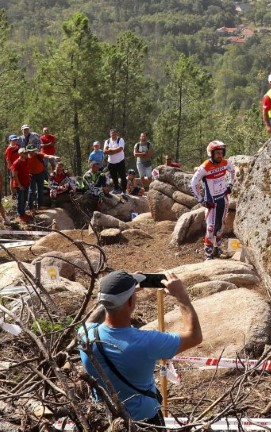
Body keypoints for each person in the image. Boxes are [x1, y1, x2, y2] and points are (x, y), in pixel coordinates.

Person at [78, 271, 202, 424]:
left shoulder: (85, 335)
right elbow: (195, 336)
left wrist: (114, 295)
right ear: (131, 302)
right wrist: (181, 295)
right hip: (144, 422)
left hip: (104, 420)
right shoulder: (146, 342)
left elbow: (91, 320)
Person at [189, 140, 236, 261]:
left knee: (220, 226)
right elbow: (193, 184)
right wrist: (201, 200)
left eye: (221, 153)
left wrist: (230, 184)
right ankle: (208, 255)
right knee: (210, 228)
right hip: (211, 202)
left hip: (223, 199)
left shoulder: (225, 163)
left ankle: (217, 250)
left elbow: (233, 170)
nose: (220, 155)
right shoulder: (205, 167)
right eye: (217, 153)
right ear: (211, 154)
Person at [10, 147, 32, 223]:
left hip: (26, 184)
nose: (27, 154)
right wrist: (19, 185)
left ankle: (23, 213)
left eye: (27, 153)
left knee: (25, 199)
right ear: (21, 154)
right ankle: (21, 215)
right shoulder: (16, 163)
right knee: (21, 200)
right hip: (20, 185)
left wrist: (28, 177)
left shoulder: (26, 160)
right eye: (25, 153)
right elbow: (15, 175)